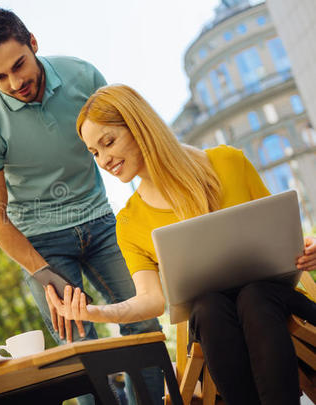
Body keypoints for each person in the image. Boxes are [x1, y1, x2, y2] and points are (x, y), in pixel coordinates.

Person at [47, 83, 316, 405]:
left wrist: (309, 250)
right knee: (209, 305)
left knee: (254, 297)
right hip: (213, 325)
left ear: (139, 127)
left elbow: (286, 241)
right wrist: (97, 313)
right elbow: (151, 300)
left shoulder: (228, 162)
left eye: (108, 142)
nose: (104, 159)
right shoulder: (130, 221)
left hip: (279, 304)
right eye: (95, 152)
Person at [0, 8, 163, 405]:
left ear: (33, 43)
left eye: (19, 65)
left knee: (144, 325)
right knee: (79, 350)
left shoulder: (83, 77)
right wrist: (41, 271)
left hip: (102, 223)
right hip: (40, 243)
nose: (15, 82)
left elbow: (130, 146)